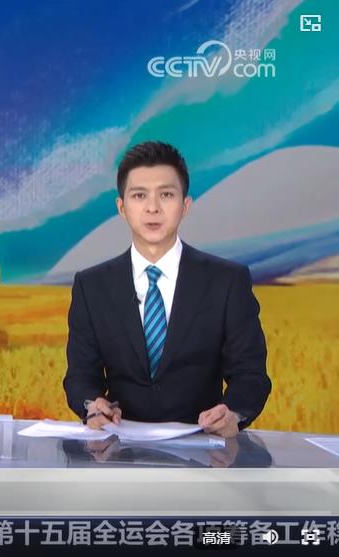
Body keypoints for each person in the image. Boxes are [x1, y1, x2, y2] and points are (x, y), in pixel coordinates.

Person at [62, 141, 271, 438]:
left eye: (166, 195)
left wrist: (233, 412)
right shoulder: (91, 287)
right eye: (139, 195)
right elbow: (80, 377)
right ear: (121, 208)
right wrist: (92, 405)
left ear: (185, 205)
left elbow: (250, 375)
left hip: (202, 449)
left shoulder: (227, 281)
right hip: (118, 449)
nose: (152, 208)